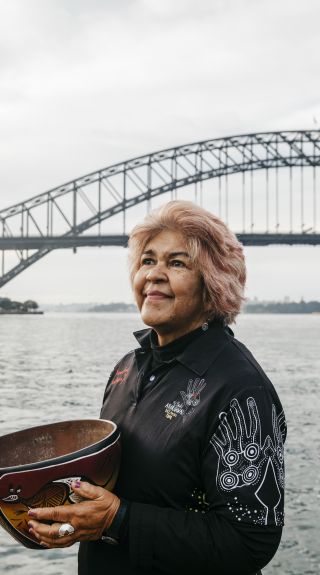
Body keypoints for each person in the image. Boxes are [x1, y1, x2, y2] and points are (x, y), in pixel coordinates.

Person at [28, 200, 286, 575]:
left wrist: (118, 520)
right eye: (147, 261)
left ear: (213, 282)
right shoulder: (127, 368)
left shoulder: (241, 389)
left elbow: (250, 541)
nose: (154, 274)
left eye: (177, 263)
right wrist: (68, 515)